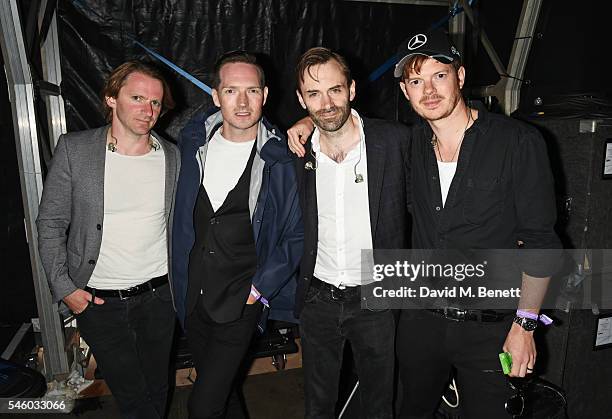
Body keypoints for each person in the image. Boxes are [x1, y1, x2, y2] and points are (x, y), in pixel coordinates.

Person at [392, 30, 561, 418]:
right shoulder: (409, 146)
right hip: (420, 323)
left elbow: (540, 241)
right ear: (405, 92)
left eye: (439, 75)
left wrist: (526, 326)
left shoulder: (518, 141)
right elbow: (342, 126)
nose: (428, 90)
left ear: (461, 77)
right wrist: (304, 122)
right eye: (416, 81)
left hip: (493, 329)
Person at [37, 60, 179, 419]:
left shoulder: (173, 157)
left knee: (158, 386)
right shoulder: (75, 149)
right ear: (111, 98)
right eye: (137, 98)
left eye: (156, 103)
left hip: (160, 297)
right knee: (131, 393)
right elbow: (51, 223)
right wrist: (65, 288)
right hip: (99, 303)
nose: (148, 110)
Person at [171, 50, 303, 419]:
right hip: (193, 296)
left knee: (203, 404)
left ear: (265, 94)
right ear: (216, 96)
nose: (242, 102)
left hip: (242, 300)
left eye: (252, 91)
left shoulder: (283, 158)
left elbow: (297, 235)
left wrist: (260, 288)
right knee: (224, 394)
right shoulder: (191, 143)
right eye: (231, 91)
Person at [291, 47, 410, 419]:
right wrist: (304, 124)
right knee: (318, 405)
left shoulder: (394, 141)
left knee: (379, 404)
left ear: (352, 90)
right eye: (314, 94)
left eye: (335, 90)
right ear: (301, 100)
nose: (326, 103)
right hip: (318, 299)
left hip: (376, 299)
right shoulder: (296, 153)